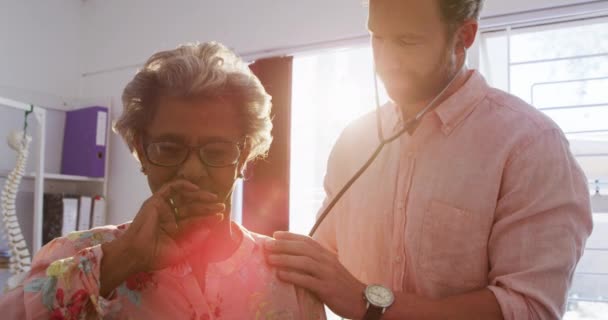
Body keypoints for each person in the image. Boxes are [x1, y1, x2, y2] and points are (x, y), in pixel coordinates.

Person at [264, 1, 593, 319]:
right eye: (378, 37)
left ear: (464, 36)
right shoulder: (354, 141)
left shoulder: (530, 145)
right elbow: (324, 264)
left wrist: (368, 304)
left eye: (408, 41)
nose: (387, 59)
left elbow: (528, 309)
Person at [0, 42, 325, 320]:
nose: (193, 170)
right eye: (169, 149)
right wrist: (120, 260)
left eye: (216, 150)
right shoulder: (73, 254)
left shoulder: (288, 278)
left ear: (244, 156)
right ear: (141, 151)